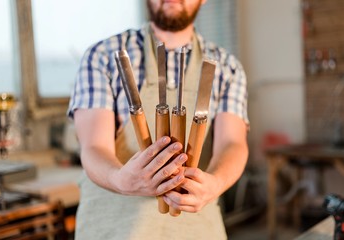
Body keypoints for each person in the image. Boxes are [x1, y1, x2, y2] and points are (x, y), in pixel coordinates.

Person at [67, 0, 249, 239]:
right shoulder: (102, 56)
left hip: (197, 231)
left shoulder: (227, 67)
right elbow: (93, 147)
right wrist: (119, 179)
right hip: (114, 230)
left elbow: (233, 144)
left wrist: (215, 184)